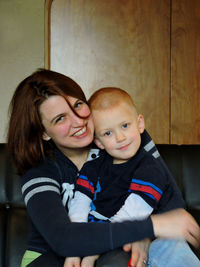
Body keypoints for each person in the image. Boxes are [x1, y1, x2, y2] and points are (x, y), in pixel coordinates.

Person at [6, 69, 200, 267]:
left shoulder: (123, 135)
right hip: (50, 257)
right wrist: (147, 227)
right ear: (44, 133)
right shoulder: (39, 169)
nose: (77, 121)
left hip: (113, 251)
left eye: (78, 105)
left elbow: (171, 204)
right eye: (60, 119)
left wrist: (143, 236)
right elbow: (62, 238)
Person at [65, 87, 200, 267]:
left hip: (152, 233)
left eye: (125, 126)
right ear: (98, 142)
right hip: (106, 233)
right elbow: (79, 204)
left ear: (140, 124)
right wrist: (78, 246)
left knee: (173, 249)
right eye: (108, 133)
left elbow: (132, 214)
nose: (120, 137)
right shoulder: (93, 167)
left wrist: (95, 248)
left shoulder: (150, 168)